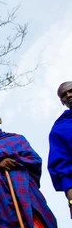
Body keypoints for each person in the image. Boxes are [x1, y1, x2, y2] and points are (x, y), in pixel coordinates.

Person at [48, 81, 72, 216]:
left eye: (71, 91)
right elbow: (61, 164)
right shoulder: (59, 129)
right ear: (62, 101)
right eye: (64, 95)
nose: (68, 95)